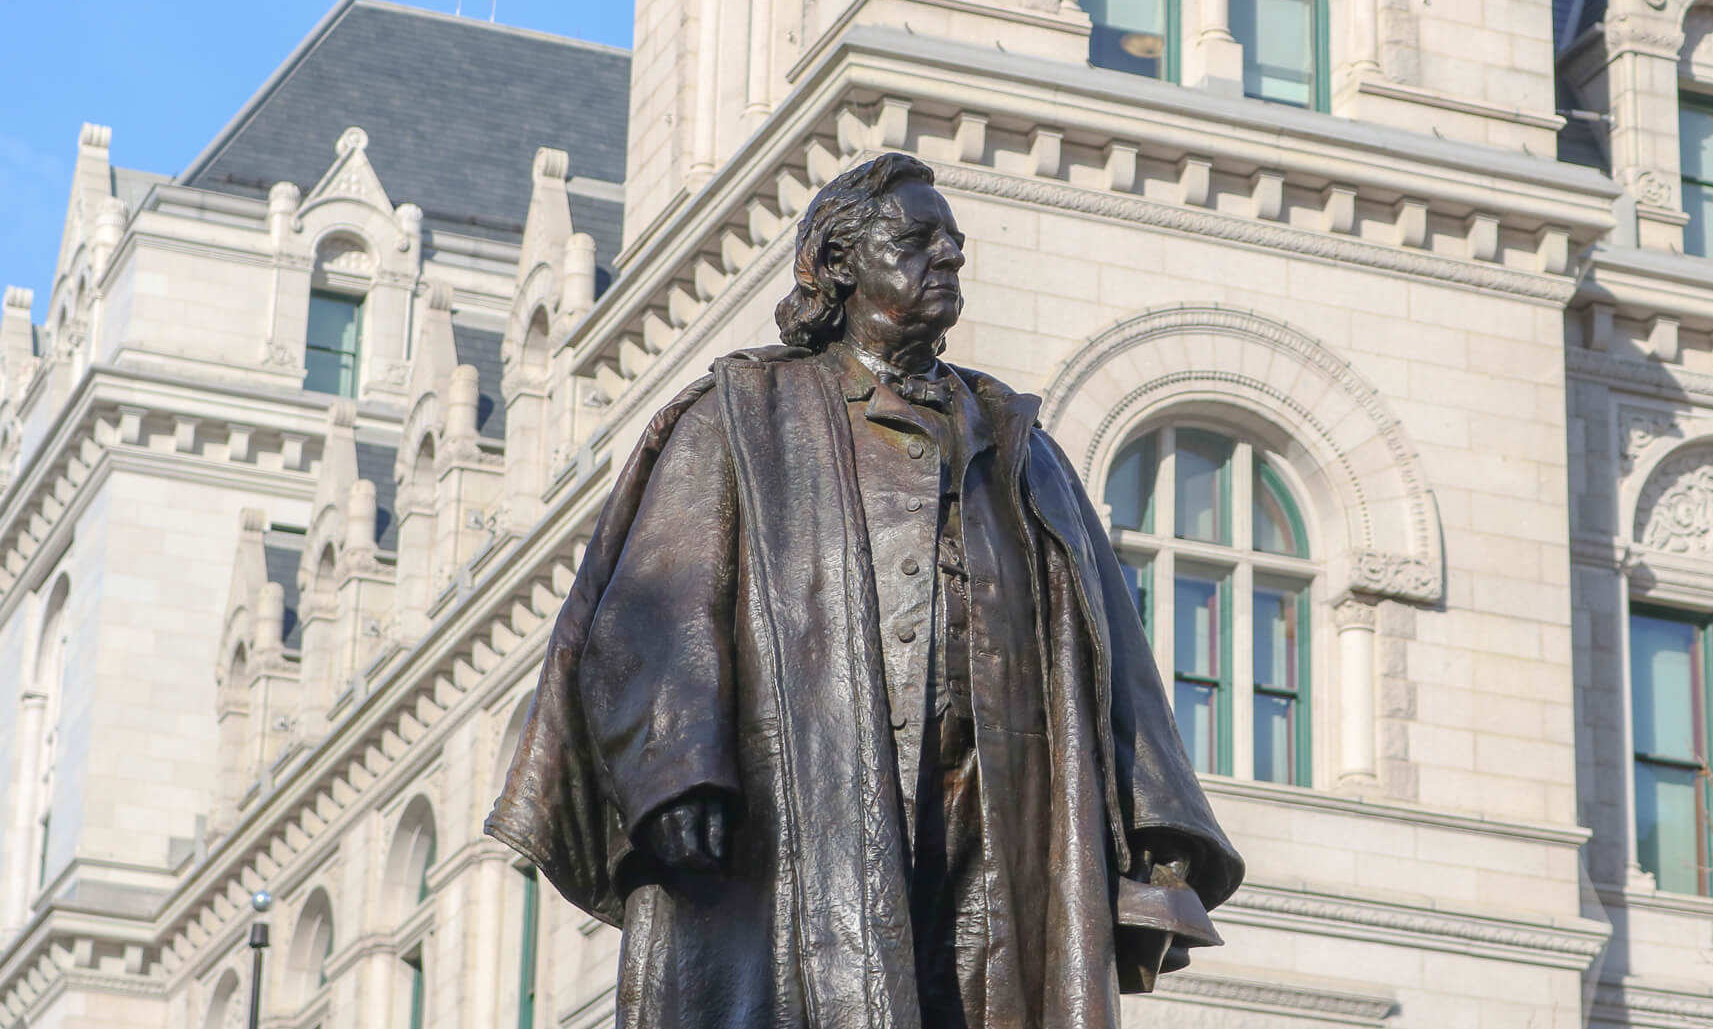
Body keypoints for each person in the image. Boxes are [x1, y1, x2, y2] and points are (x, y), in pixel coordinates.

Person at [487, 153, 1242, 1029]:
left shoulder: (1015, 442)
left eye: (956, 243)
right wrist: (677, 766)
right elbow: (659, 607)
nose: (950, 258)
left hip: (1004, 808)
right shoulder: (744, 417)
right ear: (838, 265)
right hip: (812, 800)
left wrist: (1160, 833)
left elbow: (1111, 649)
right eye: (919, 239)